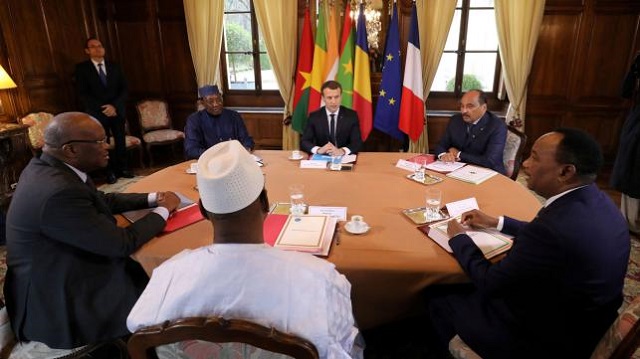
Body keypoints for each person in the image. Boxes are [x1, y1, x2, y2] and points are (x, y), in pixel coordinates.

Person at [127, 140, 363, 359]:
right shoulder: (321, 280)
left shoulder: (167, 277)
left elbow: (138, 331)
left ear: (203, 212)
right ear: (266, 203)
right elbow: (343, 351)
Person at [428, 128, 630, 359]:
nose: (524, 164)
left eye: (534, 157)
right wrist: (497, 222)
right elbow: (552, 238)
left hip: (544, 339)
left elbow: (491, 282)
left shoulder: (551, 230)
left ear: (566, 172)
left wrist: (458, 238)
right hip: (587, 322)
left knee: (438, 297)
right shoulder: (598, 202)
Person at [4, 112, 180, 349]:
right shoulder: (57, 191)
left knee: (142, 271)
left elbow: (99, 200)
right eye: (99, 141)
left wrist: (152, 199)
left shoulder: (53, 167)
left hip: (56, 264)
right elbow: (121, 243)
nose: (107, 145)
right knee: (146, 282)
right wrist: (164, 211)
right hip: (54, 298)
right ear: (71, 150)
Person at [75, 37, 130, 184]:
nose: (98, 48)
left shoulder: (114, 66)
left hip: (116, 111)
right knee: (102, 143)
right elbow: (83, 94)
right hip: (98, 113)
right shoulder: (82, 69)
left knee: (120, 140)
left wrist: (114, 106)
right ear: (87, 51)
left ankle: (123, 169)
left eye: (100, 46)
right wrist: (104, 108)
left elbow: (124, 89)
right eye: (93, 46)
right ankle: (109, 172)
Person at [434, 89, 507, 174]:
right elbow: (441, 144)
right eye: (462, 106)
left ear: (484, 108)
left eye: (470, 106)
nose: (464, 111)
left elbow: (490, 161)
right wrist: (443, 155)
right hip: (458, 170)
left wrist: (458, 154)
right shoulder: (455, 120)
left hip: (489, 173)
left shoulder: (497, 126)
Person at [183, 85, 254, 159]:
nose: (216, 104)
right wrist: (217, 154)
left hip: (234, 160)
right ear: (202, 103)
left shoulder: (234, 116)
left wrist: (246, 148)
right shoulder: (194, 120)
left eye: (219, 100)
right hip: (208, 162)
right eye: (210, 101)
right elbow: (191, 150)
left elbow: (246, 139)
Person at [301, 80, 363, 156]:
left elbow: (357, 142)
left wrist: (342, 151)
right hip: (322, 158)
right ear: (323, 98)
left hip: (344, 158)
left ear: (341, 97)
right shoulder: (314, 117)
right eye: (329, 98)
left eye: (336, 97)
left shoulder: (351, 115)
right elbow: (304, 141)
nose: (333, 101)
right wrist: (318, 150)